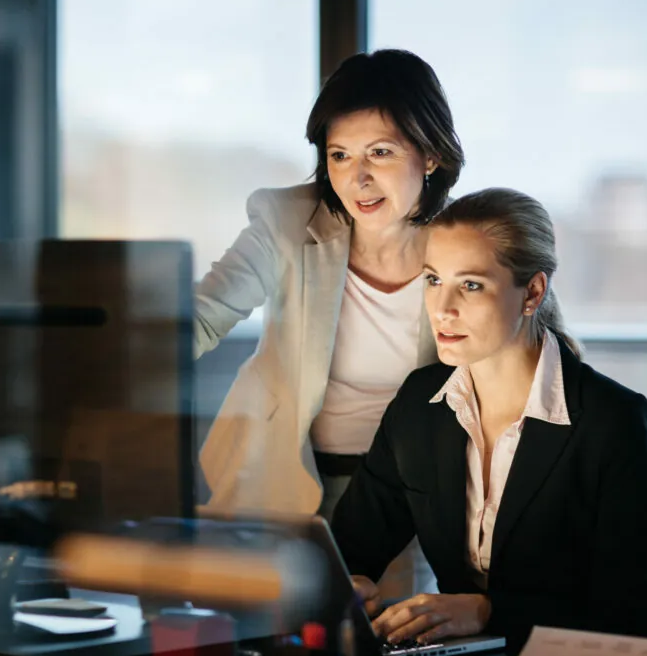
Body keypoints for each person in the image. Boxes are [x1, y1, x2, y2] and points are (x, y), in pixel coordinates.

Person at [331, 188, 647, 647]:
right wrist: (348, 584)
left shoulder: (610, 421)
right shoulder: (419, 405)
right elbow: (350, 547)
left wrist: (491, 611)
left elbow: (633, 612)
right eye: (433, 280)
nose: (442, 308)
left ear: (532, 292)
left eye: (470, 285)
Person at [194, 49, 464, 520]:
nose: (357, 178)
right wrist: (118, 367)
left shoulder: (470, 242)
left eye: (380, 152)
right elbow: (203, 315)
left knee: (398, 597)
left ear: (430, 156)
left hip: (416, 494)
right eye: (340, 155)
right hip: (278, 476)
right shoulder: (288, 221)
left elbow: (545, 355)